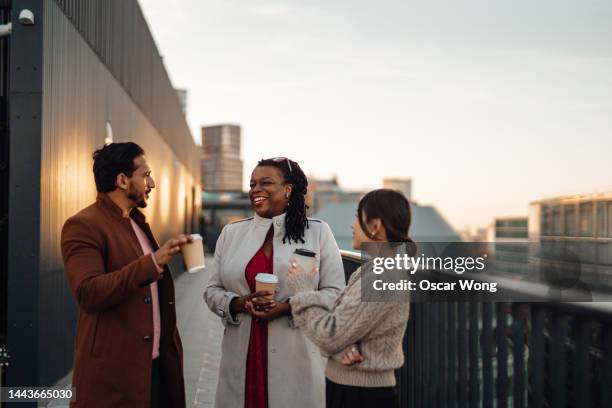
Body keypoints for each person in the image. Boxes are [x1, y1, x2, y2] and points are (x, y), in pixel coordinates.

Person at [204, 157, 346, 408]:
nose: (255, 189)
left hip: (296, 354)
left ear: (288, 189)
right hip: (242, 355)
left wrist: (290, 306)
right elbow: (211, 290)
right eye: (252, 184)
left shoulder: (318, 232)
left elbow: (335, 293)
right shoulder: (231, 233)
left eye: (265, 183)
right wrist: (237, 303)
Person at [61, 142, 189, 408]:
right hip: (114, 378)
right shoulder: (83, 225)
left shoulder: (136, 222)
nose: (151, 183)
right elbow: (89, 292)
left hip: (155, 369)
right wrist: (151, 262)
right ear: (122, 180)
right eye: (145, 175)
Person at [286, 189, 414, 408]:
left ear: (375, 225)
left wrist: (303, 288)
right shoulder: (374, 271)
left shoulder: (382, 277)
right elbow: (339, 328)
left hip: (362, 395)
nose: (352, 225)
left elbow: (329, 334)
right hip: (354, 390)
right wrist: (340, 348)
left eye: (357, 216)